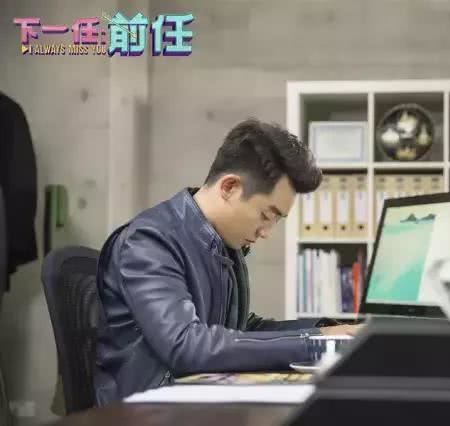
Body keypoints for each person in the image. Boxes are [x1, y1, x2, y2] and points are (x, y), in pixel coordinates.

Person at [94, 118, 359, 405]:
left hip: (192, 400)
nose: (266, 232)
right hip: (149, 410)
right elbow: (186, 345)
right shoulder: (149, 242)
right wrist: (314, 345)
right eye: (266, 215)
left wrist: (323, 332)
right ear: (229, 187)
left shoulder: (221, 244)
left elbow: (238, 332)